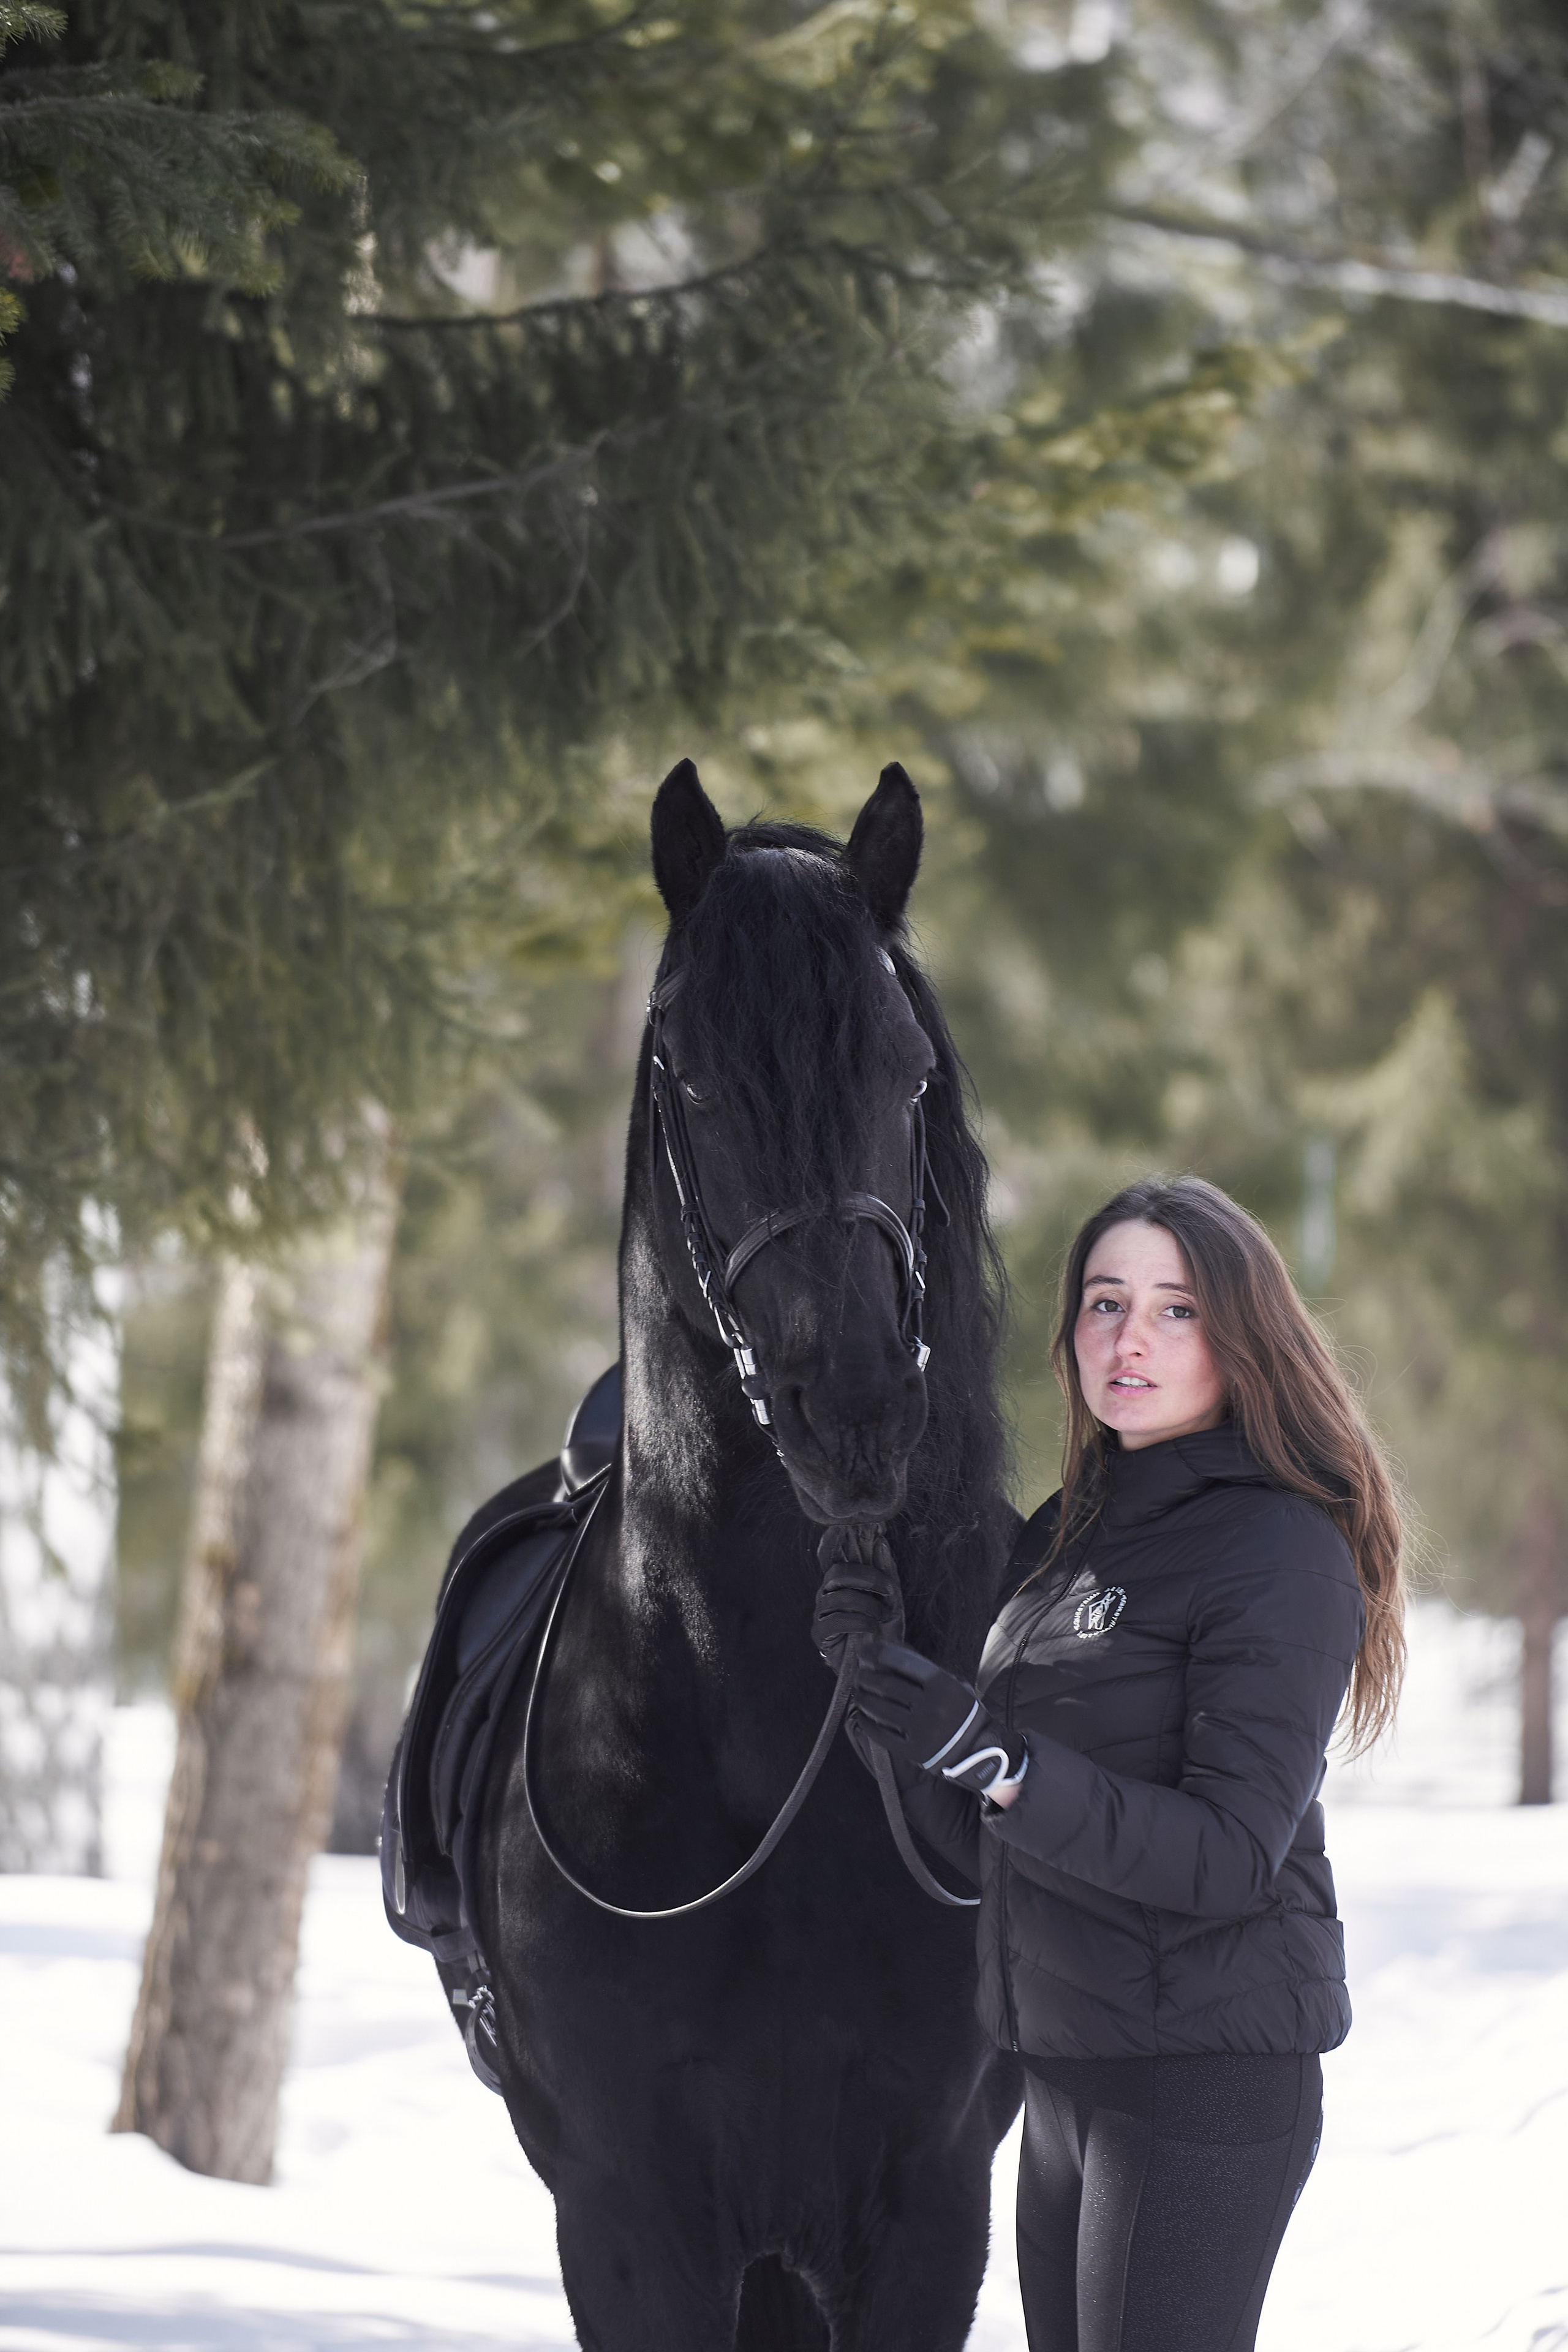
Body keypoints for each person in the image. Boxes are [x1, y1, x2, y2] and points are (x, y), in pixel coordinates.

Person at [814, 1175, 1406, 2352]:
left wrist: (997, 1758)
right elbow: (997, 1842)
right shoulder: (1060, 1535)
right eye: (1104, 1301)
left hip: (1201, 2080)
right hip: (1064, 2075)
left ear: (1244, 1338)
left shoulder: (1279, 1546)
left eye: (1176, 1309)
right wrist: (894, 1712)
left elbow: (1231, 1857)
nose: (1129, 1338)